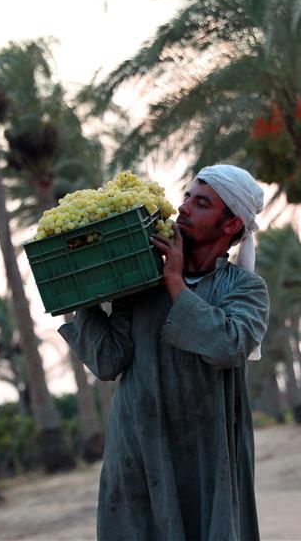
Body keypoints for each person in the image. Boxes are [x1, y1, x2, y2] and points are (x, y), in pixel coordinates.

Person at [58, 164, 270, 541]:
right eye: (187, 196)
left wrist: (175, 283)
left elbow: (229, 345)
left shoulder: (245, 289)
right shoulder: (142, 282)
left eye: (201, 202)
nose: (184, 207)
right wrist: (81, 297)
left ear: (231, 224)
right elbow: (109, 361)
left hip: (207, 456)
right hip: (138, 451)